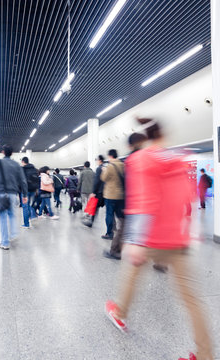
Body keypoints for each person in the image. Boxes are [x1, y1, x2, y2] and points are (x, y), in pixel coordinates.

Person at [105, 119, 214, 360]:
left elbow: (144, 199)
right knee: (191, 298)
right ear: (163, 136)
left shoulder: (140, 160)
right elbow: (188, 200)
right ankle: (206, 354)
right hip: (178, 237)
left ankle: (120, 313)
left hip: (151, 238)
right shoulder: (177, 159)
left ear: (146, 137)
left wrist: (135, 240)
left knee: (131, 276)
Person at [103, 133, 147, 260]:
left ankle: (115, 250)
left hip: (131, 199)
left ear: (130, 145)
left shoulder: (130, 159)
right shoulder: (149, 156)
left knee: (123, 224)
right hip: (149, 200)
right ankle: (160, 259)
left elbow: (128, 181)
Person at [0, 145, 28, 250]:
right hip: (13, 194)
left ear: (3, 152)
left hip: (2, 193)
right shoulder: (16, 164)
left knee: (3, 218)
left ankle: (5, 242)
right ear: (12, 153)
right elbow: (23, 180)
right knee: (12, 214)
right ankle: (13, 233)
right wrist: (24, 195)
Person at [100, 149, 124, 240]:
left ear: (110, 156)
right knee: (120, 215)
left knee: (109, 214)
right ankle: (122, 232)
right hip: (120, 194)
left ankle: (109, 233)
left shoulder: (110, 166)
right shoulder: (122, 165)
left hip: (110, 195)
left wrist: (103, 170)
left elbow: (104, 178)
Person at [21, 157, 39, 228]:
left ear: (23, 161)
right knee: (30, 205)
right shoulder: (34, 169)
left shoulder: (22, 169)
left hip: (25, 190)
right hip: (33, 190)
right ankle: (32, 216)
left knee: (25, 206)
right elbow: (37, 179)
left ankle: (26, 224)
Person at [88, 155, 105, 225]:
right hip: (104, 191)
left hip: (99, 192)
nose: (96, 162)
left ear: (100, 160)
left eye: (97, 160)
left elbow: (97, 181)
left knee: (94, 206)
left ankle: (91, 222)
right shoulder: (105, 168)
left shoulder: (99, 168)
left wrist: (93, 191)